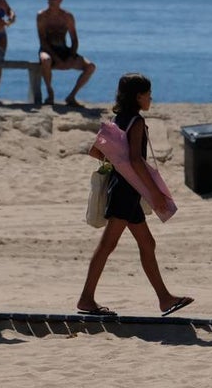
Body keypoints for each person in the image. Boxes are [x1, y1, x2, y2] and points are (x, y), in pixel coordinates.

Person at [77, 73, 193, 317]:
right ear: (138, 96)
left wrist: (117, 165)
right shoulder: (136, 122)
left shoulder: (118, 119)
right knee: (108, 244)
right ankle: (86, 298)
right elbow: (135, 160)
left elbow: (95, 151)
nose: (151, 98)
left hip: (123, 188)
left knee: (147, 242)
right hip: (127, 191)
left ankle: (164, 299)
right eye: (148, 94)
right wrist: (154, 193)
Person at [37, 0, 96, 107]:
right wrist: (57, 59)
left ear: (60, 0)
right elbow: (42, 40)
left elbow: (74, 39)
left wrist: (71, 56)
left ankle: (72, 96)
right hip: (47, 50)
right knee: (45, 60)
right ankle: (50, 92)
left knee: (90, 66)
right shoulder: (42, 15)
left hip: (64, 50)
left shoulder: (67, 16)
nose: (50, 1)